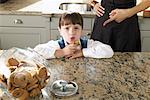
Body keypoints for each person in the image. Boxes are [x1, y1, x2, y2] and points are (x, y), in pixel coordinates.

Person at [34, 12, 114, 59]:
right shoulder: (57, 45)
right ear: (60, 31)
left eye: (76, 28)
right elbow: (36, 51)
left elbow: (108, 51)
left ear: (81, 30)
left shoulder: (87, 44)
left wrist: (82, 52)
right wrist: (62, 52)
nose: (72, 32)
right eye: (67, 28)